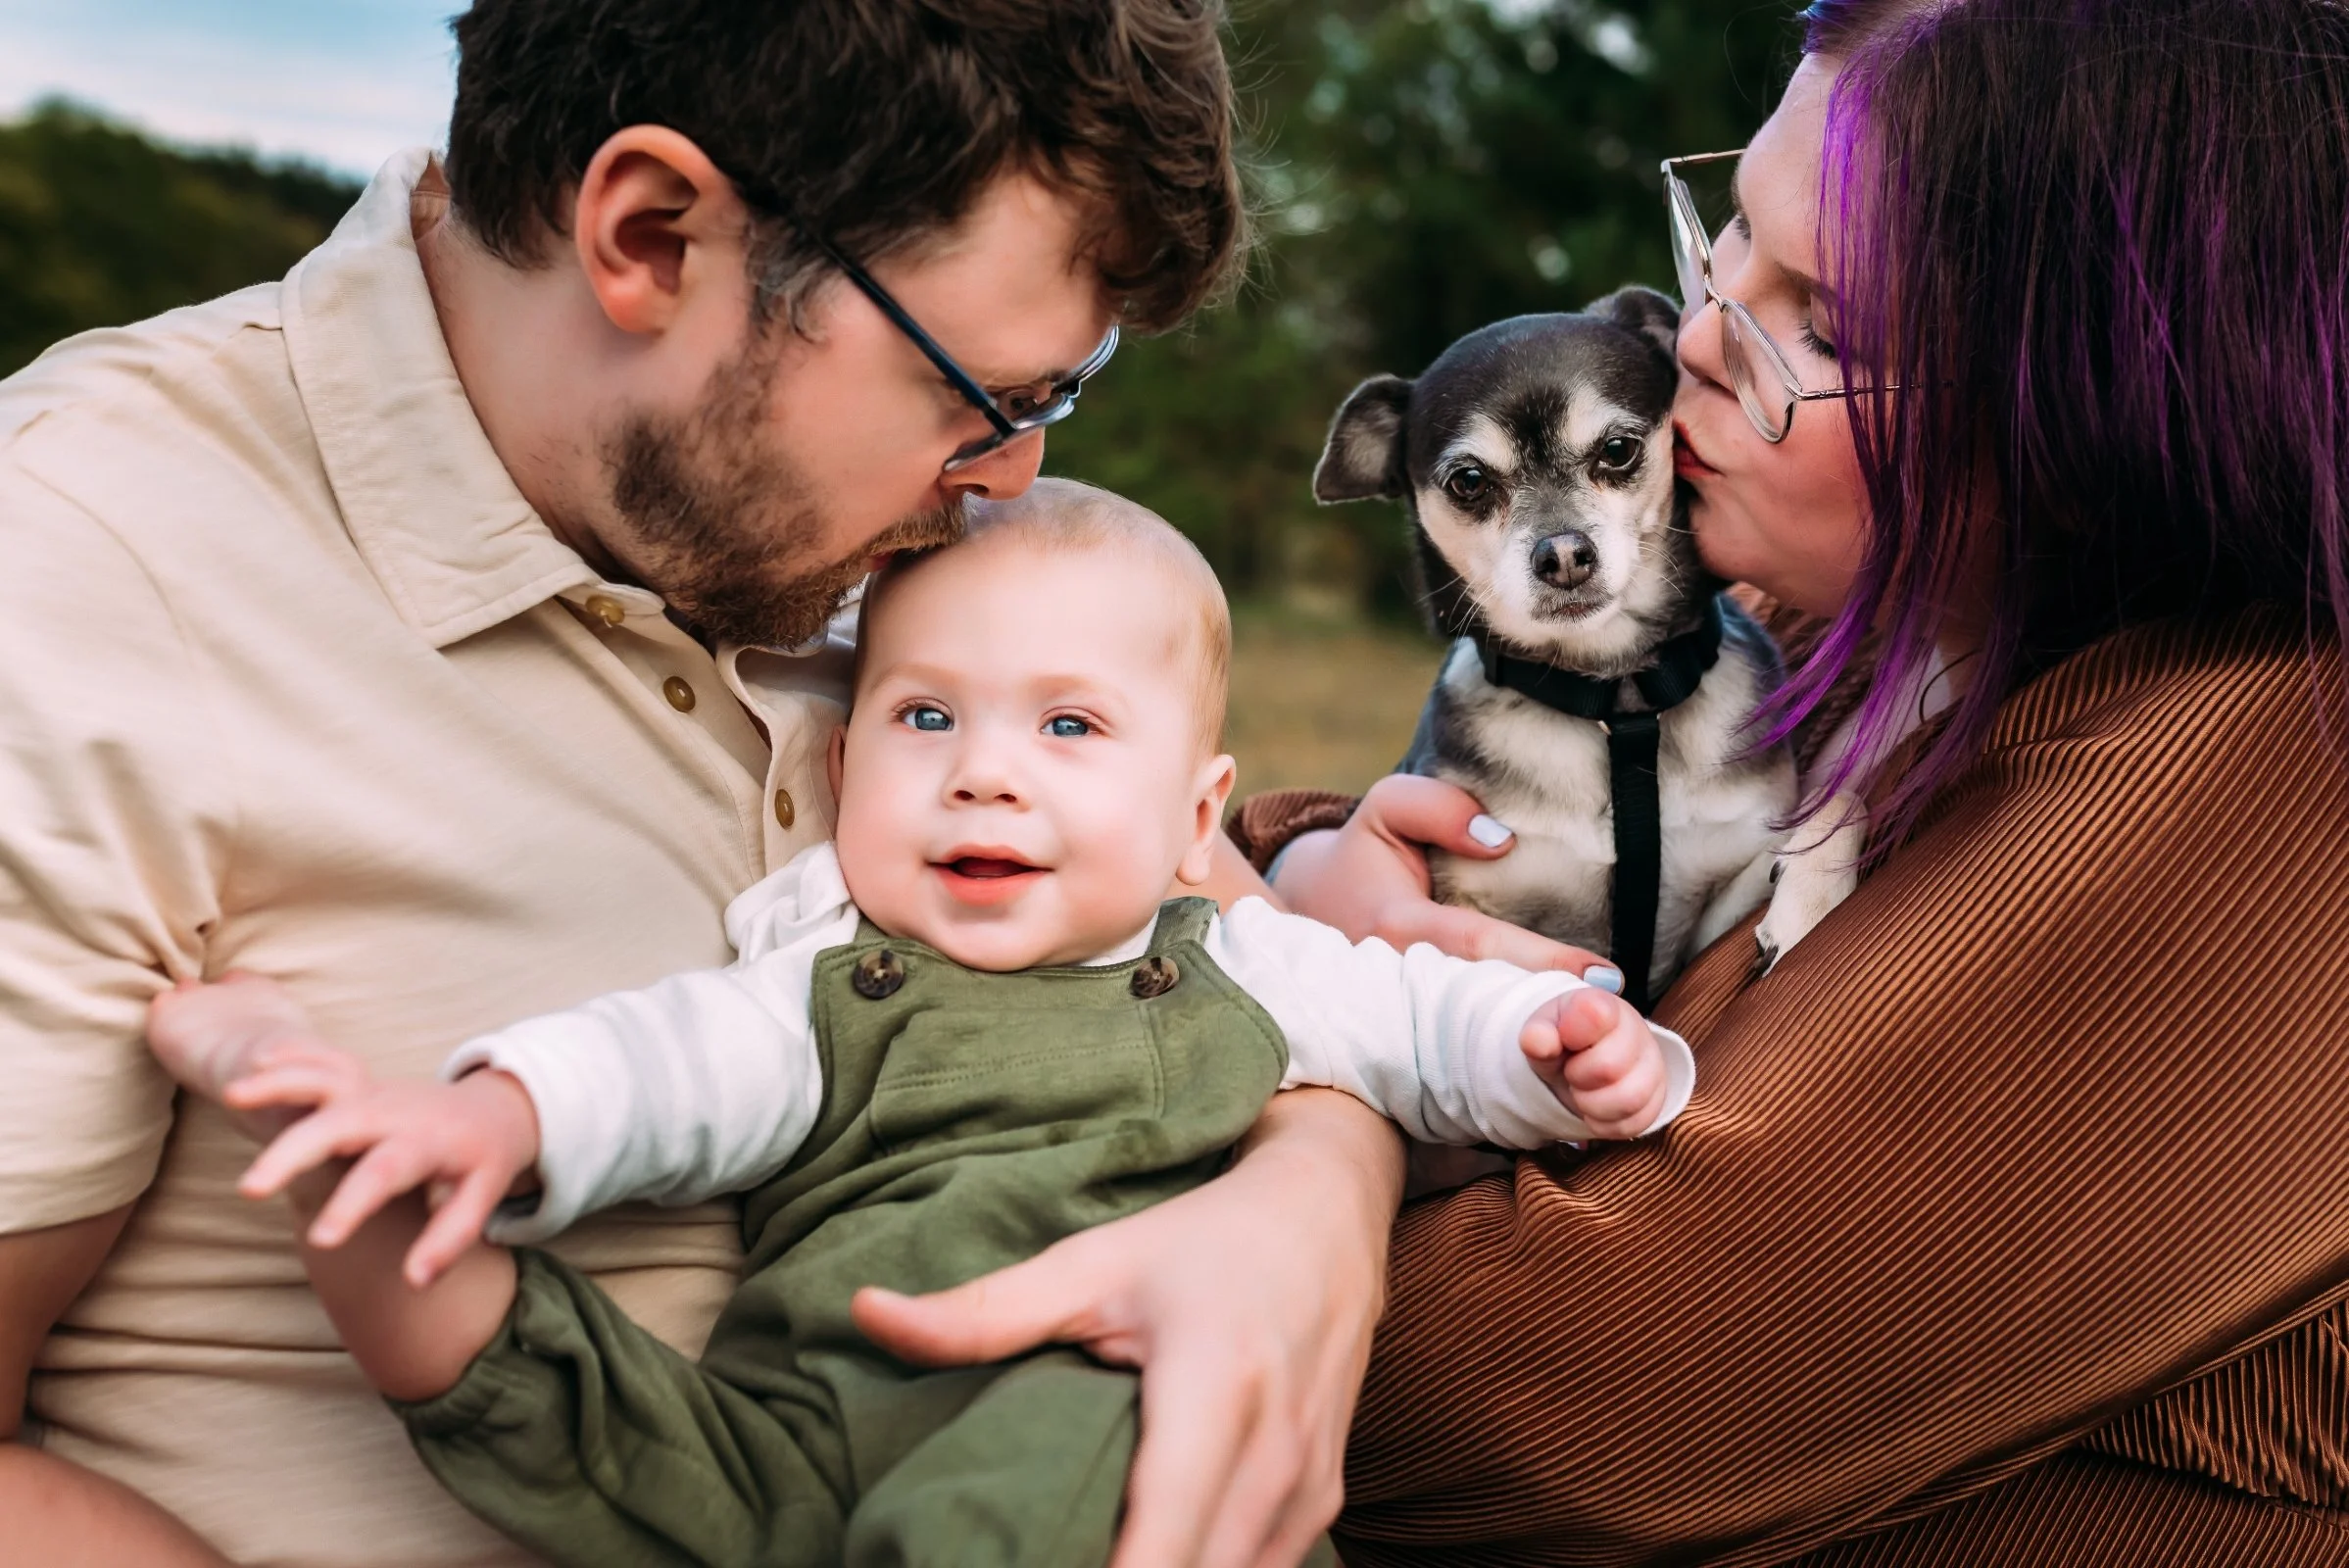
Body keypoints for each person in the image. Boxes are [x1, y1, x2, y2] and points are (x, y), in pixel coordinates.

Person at [844, 0, 2349, 1562]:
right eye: (1726, 242)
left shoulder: (2262, 783)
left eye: (1821, 328)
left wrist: (1304, 1120)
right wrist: (1309, 876)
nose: (1696, 342)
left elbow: (1548, 1415)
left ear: (2110, 408)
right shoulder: (1806, 628)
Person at [0, 4, 1281, 1564]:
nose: (1007, 480)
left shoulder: (858, 546)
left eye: (1054, 400)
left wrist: (1309, 1216)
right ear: (653, 235)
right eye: (985, 395)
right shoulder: (72, 565)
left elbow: (1234, 965)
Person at [139, 483, 1688, 1568]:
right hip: (789, 1445)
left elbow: (1415, 1023)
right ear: (843, 767)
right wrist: (489, 1120)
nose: (984, 774)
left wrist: (1557, 1046)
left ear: (1193, 813)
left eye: (1069, 727)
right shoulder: (826, 974)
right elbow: (670, 1065)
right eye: (926, 715)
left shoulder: (1234, 962)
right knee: (501, 1369)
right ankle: (326, 1128)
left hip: (1081, 1420)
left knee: (1052, 1491)